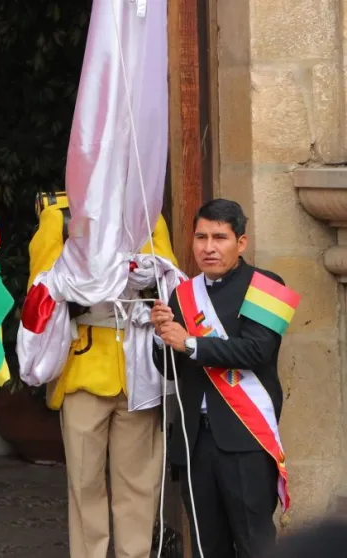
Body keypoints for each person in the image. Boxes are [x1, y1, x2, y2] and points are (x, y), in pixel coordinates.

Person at [28, 192, 180, 558]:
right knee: (85, 486)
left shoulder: (145, 211)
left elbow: (172, 288)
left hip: (138, 368)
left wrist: (151, 272)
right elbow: (40, 292)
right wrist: (78, 279)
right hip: (84, 364)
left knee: (138, 488)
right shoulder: (60, 214)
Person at [152, 199, 290, 558]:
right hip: (195, 441)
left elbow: (256, 350)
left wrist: (191, 342)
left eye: (219, 237)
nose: (208, 247)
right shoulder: (182, 293)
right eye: (201, 237)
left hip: (244, 439)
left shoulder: (268, 284)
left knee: (253, 545)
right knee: (204, 546)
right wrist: (161, 335)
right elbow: (169, 368)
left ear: (240, 242)